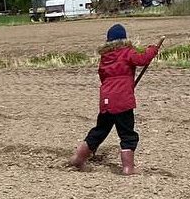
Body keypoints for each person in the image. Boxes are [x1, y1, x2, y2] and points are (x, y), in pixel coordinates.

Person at [69, 24, 164, 175]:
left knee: (99, 131)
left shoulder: (105, 57)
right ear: (124, 39)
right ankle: (128, 168)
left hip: (106, 99)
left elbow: (103, 77)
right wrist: (153, 50)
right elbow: (143, 59)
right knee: (127, 134)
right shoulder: (126, 52)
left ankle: (78, 159)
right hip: (122, 101)